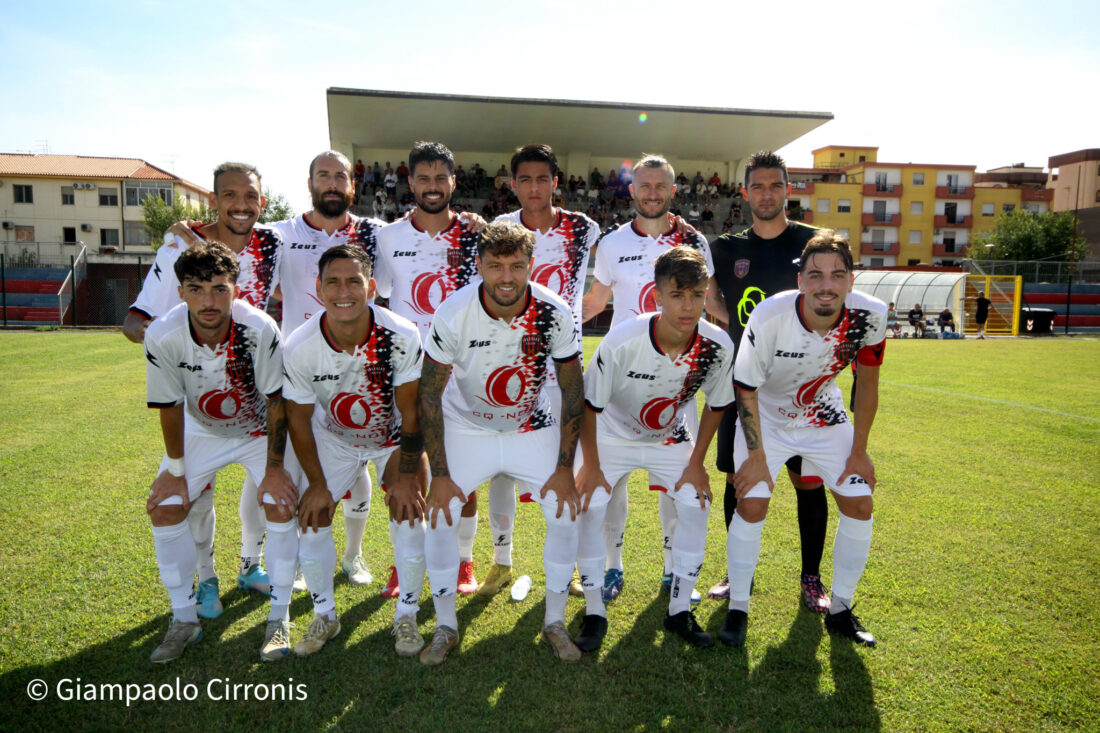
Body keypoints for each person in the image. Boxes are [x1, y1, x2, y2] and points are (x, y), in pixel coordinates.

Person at [163, 152, 386, 592]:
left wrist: (474, 222)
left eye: (340, 176)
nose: (332, 183)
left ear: (352, 185)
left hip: (357, 367)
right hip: (293, 367)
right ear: (309, 182)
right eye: (323, 175)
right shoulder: (279, 234)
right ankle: (258, 559)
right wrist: (188, 232)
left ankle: (353, 554)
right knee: (277, 468)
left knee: (356, 464)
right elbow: (232, 241)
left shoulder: (377, 234)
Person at [417, 220, 584, 666]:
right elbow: (429, 394)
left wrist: (564, 469)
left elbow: (573, 389)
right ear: (479, 266)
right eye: (495, 266)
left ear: (531, 265)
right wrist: (441, 475)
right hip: (468, 427)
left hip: (530, 425)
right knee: (440, 515)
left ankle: (554, 621)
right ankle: (446, 626)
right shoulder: (454, 311)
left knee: (565, 511)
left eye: (516, 266)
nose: (506, 277)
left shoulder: (553, 311)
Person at [124, 161, 283, 617]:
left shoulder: (273, 241)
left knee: (271, 488)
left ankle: (252, 564)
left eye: (249, 196)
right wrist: (180, 347)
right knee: (194, 496)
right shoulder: (180, 244)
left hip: (256, 398)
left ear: (262, 202)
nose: (240, 204)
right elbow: (134, 322)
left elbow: (329, 232)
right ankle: (207, 578)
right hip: (199, 400)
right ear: (213, 200)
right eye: (229, 195)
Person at [723, 230, 886, 648]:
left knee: (859, 501)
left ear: (851, 280)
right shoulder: (770, 315)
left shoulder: (870, 315)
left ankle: (842, 609)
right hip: (767, 414)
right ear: (800, 281)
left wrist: (860, 451)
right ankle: (738, 607)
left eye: (837, 275)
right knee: (752, 502)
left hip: (822, 413)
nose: (826, 285)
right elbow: (745, 387)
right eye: (815, 275)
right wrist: (756, 456)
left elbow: (868, 384)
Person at [574, 248, 735, 652]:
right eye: (677, 295)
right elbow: (589, 405)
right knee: (589, 506)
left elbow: (717, 404)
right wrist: (591, 466)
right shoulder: (623, 339)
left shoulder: (717, 344)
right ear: (657, 295)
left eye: (697, 295)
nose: (688, 306)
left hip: (669, 437)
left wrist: (697, 463)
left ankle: (679, 610)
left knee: (696, 503)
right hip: (612, 435)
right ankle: (594, 611)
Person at [143, 241, 295, 663]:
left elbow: (276, 401)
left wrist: (275, 467)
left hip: (257, 430)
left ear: (236, 290)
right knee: (166, 507)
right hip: (202, 430)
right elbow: (170, 406)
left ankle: (279, 617)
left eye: (219, 289)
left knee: (281, 504)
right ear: (180, 293)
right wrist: (175, 470)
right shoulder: (163, 334)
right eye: (196, 289)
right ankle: (184, 619)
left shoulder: (259, 328)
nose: (208, 301)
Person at [282, 244, 428, 658]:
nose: (343, 291)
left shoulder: (401, 334)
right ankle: (324, 615)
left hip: (392, 437)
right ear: (318, 288)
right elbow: (298, 419)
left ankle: (407, 614)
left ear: (372, 287)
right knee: (313, 516)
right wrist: (315, 484)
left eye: (354, 281)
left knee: (409, 510)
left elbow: (412, 411)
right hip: (334, 437)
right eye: (333, 282)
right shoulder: (300, 345)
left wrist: (406, 475)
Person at [581, 154, 713, 605]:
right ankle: (612, 566)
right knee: (610, 480)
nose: (652, 193)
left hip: (677, 381)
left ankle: (673, 570)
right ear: (631, 191)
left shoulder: (694, 240)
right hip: (621, 382)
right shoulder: (612, 243)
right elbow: (595, 301)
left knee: (676, 480)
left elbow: (709, 302)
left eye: (660, 186)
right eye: (644, 186)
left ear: (673, 191)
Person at [703, 150, 831, 611]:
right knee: (739, 479)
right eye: (757, 186)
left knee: (807, 481)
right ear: (745, 192)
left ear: (787, 190)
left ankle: (811, 578)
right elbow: (712, 300)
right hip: (744, 383)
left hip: (801, 386)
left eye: (775, 185)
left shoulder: (815, 242)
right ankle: (738, 573)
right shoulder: (725, 248)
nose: (766, 194)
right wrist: (744, 331)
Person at [477, 144, 601, 598]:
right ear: (513, 184)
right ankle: (501, 560)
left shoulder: (583, 228)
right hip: (510, 367)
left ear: (555, 182)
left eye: (542, 179)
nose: (534, 187)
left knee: (570, 466)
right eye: (525, 179)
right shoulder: (499, 229)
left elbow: (629, 244)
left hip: (564, 369)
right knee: (501, 469)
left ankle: (570, 565)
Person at [374, 141, 484, 595]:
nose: (432, 186)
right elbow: (379, 291)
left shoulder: (477, 235)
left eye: (441, 178)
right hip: (406, 370)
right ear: (411, 182)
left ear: (454, 182)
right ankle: (404, 562)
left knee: (463, 471)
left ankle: (463, 560)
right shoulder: (387, 237)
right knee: (405, 468)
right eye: (424, 178)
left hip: (462, 370)